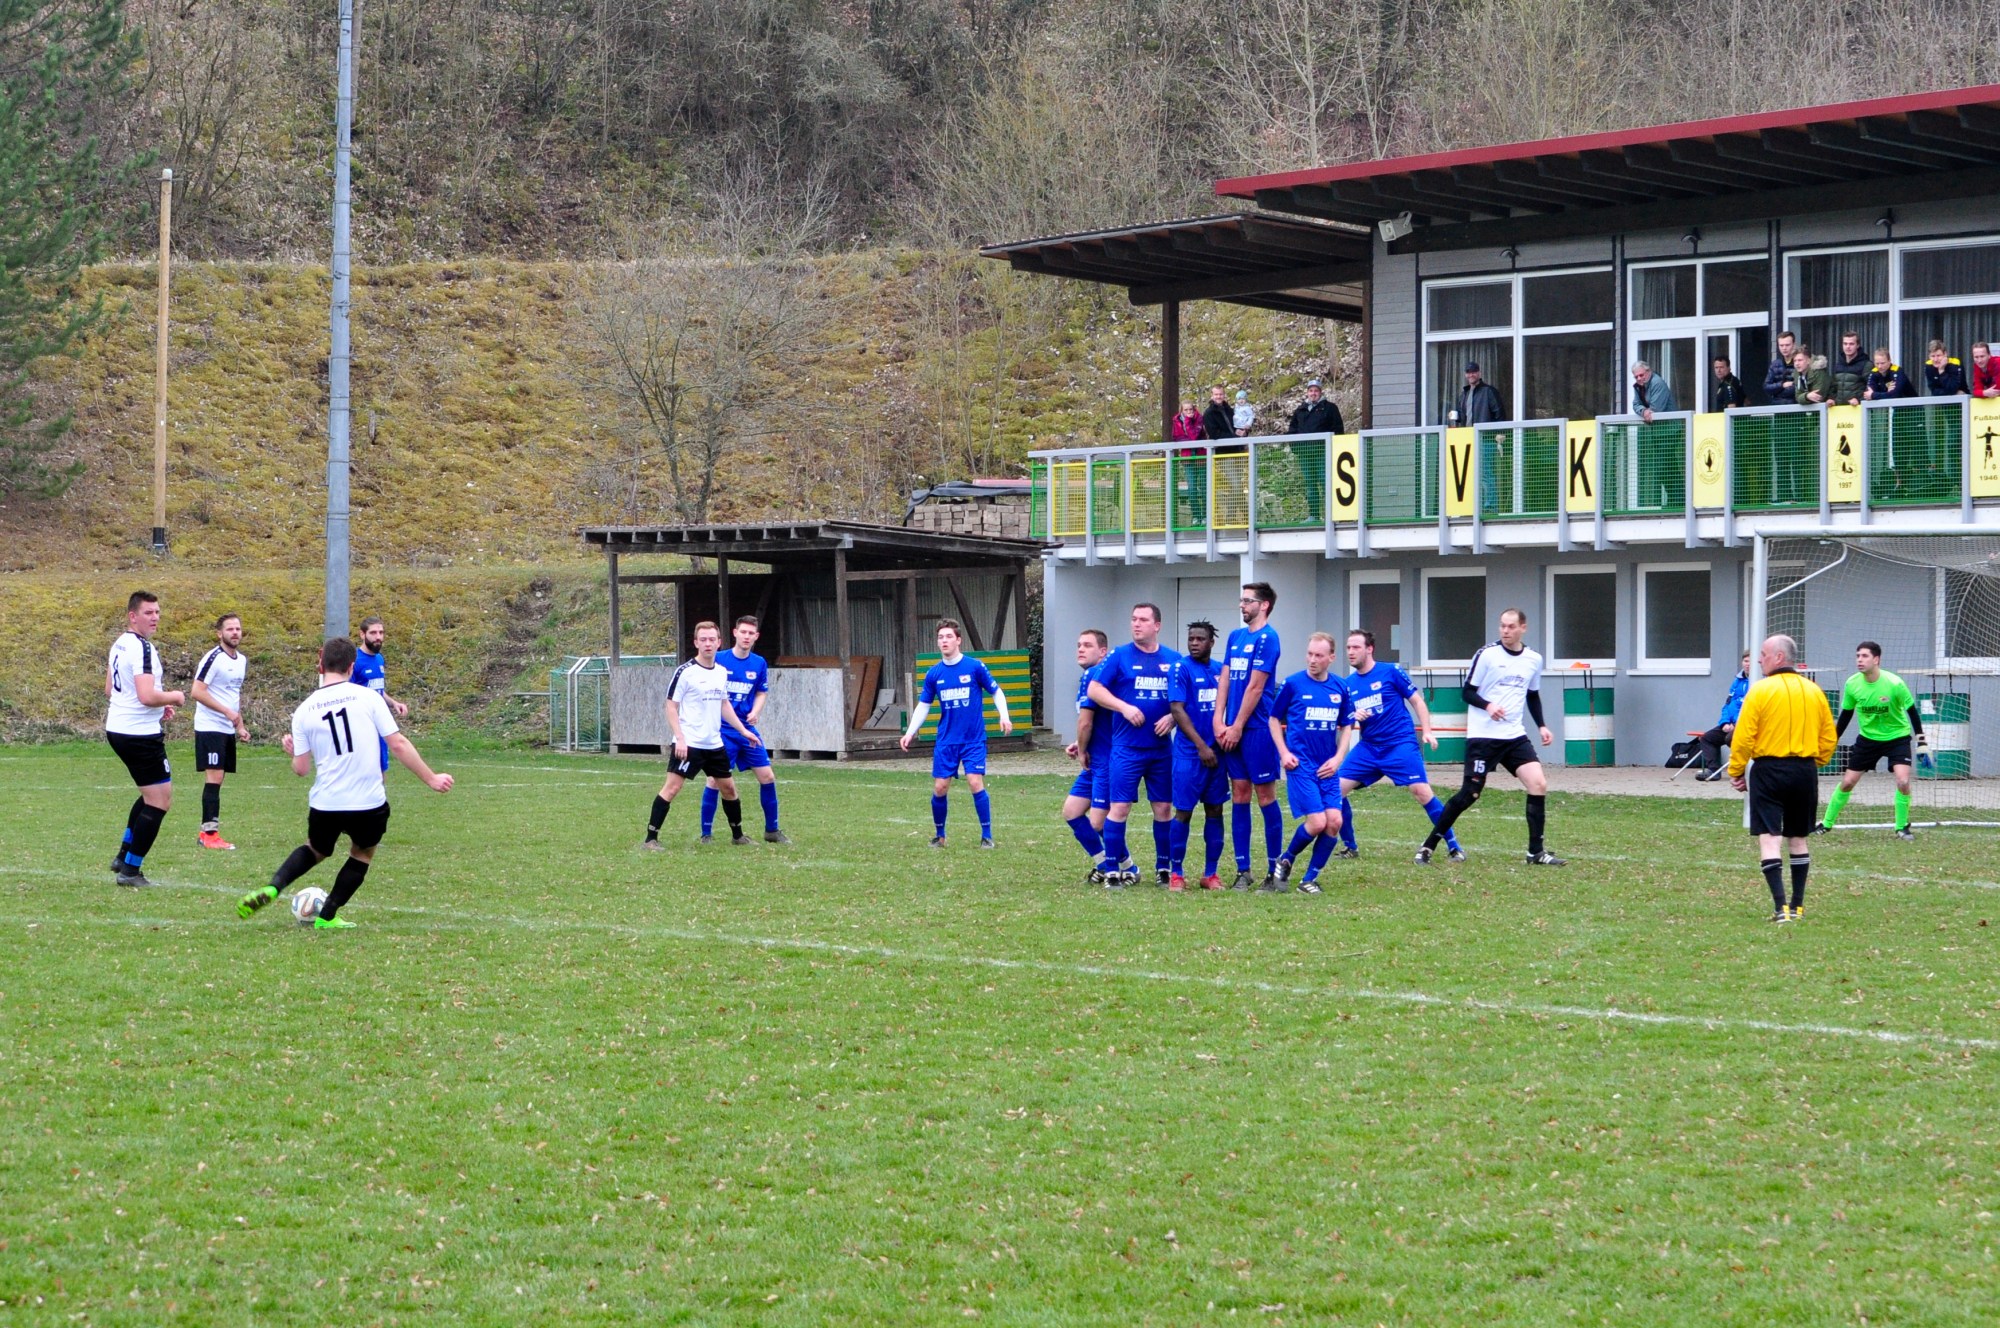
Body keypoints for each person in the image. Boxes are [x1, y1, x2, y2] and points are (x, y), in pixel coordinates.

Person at [236, 636, 452, 929]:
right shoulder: (368, 698)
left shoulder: (304, 710)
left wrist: (293, 752)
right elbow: (398, 744)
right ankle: (327, 917)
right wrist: (431, 778)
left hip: (326, 803)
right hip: (368, 802)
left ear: (320, 664)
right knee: (362, 853)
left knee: (316, 848)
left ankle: (275, 886)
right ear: (352, 667)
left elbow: (300, 769)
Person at [1417, 607, 1565, 866]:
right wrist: (1488, 706)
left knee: (1538, 784)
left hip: (1514, 736)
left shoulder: (1533, 659)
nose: (1505, 631)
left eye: (1510, 627)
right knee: (1469, 795)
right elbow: (1467, 692)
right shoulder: (1486, 655)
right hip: (1483, 737)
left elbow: (1532, 694)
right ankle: (1428, 845)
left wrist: (1541, 725)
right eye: (1502, 626)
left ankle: (1535, 853)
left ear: (1523, 628)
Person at [1727, 634, 1837, 923]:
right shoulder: (1814, 691)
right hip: (1804, 771)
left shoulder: (1760, 692)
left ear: (1778, 658)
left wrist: (1736, 771)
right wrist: (1817, 760)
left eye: (1763, 654)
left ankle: (1780, 908)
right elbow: (1829, 737)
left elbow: (1744, 736)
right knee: (1798, 838)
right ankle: (1797, 905)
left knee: (1770, 837)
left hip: (1769, 770)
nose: (1759, 660)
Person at [1328, 628, 1463, 860]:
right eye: (1348, 648)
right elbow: (1343, 720)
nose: (1350, 652)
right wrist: (1353, 716)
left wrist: (1428, 731)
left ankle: (1453, 845)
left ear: (1369, 649)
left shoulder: (1391, 671)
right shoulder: (1347, 684)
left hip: (1400, 744)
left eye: (1356, 647)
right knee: (1333, 791)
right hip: (1369, 749)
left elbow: (1417, 702)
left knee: (1421, 792)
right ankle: (1350, 847)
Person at [1088, 603, 1181, 887]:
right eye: (1133, 619)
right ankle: (1114, 870)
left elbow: (1183, 700)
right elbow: (1095, 689)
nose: (1136, 624)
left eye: (1143, 620)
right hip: (1127, 749)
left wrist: (1172, 717)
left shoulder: (1173, 659)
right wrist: (1123, 707)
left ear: (1157, 625)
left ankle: (1163, 868)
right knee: (1120, 809)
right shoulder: (1119, 656)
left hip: (1161, 750)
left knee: (1163, 809)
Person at [646, 622, 761, 848]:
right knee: (672, 788)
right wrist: (679, 738)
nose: (708, 644)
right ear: (696, 643)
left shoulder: (720, 672)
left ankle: (738, 836)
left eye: (712, 640)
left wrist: (743, 730)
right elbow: (671, 706)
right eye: (703, 640)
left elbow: (724, 704)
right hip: (689, 744)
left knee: (729, 788)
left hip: (714, 744)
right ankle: (651, 839)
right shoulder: (685, 672)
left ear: (719, 642)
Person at [902, 618, 1012, 847]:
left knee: (974, 782)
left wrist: (1004, 715)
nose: (944, 641)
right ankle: (940, 836)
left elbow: (996, 691)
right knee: (940, 787)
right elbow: (923, 705)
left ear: (958, 640)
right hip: (946, 740)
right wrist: (910, 732)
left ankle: (987, 836)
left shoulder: (974, 667)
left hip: (972, 739)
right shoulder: (934, 674)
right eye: (941, 637)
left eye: (949, 636)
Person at [104, 590, 187, 888]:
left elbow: (111, 691)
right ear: (132, 616)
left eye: (157, 612)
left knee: (149, 796)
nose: (155, 618)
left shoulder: (120, 644)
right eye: (148, 613)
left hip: (120, 728)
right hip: (138, 735)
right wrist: (174, 697)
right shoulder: (141, 648)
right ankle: (130, 870)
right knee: (159, 801)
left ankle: (124, 855)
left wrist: (155, 705)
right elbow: (145, 695)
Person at [1817, 641, 1931, 840]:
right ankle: (1826, 824)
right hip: (1868, 739)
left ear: (1876, 659)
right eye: (1857, 656)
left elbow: (1912, 711)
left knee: (1903, 781)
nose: (1859, 660)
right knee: (1847, 782)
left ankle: (1902, 827)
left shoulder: (1894, 683)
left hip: (1897, 738)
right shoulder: (1852, 684)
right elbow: (1845, 715)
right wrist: (1831, 741)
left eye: (1864, 656)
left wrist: (1921, 742)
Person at [1212, 581, 1285, 890]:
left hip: (1256, 730)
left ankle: (1274, 870)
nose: (1242, 605)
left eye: (1248, 601)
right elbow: (1226, 678)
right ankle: (1244, 870)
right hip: (1232, 727)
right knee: (1239, 793)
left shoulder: (1269, 638)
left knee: (1264, 795)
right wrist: (1219, 719)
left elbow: (1256, 686)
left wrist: (1238, 725)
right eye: (1241, 600)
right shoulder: (1235, 636)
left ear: (1264, 605)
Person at [1268, 633, 1353, 895]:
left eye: (1318, 655)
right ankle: (1286, 859)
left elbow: (1347, 725)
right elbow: (1273, 720)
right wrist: (1284, 752)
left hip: (1326, 767)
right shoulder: (1293, 684)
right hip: (1301, 765)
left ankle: (1309, 879)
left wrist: (1338, 758)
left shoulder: (1340, 687)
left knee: (1334, 822)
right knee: (1317, 822)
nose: (1312, 660)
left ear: (1331, 658)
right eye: (1309, 654)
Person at [700, 615, 788, 844]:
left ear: (756, 637)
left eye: (751, 633)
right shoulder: (719, 660)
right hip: (723, 731)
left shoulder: (758, 663)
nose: (747, 636)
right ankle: (706, 834)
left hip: (747, 730)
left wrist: (756, 711)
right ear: (735, 633)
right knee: (714, 781)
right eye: (743, 632)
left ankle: (772, 831)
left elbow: (761, 691)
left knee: (767, 776)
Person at [1166, 621, 1229, 891]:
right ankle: (1177, 874)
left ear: (1211, 643)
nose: (1194, 643)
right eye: (1191, 638)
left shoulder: (1219, 671)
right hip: (1190, 755)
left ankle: (1210, 874)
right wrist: (1202, 746)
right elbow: (1177, 710)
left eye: (1200, 639)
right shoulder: (1180, 668)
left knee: (1215, 810)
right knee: (1183, 812)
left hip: (1218, 754)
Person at [189, 612, 252, 850]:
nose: (235, 633)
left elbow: (231, 697)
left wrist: (240, 725)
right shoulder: (213, 658)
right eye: (230, 629)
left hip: (226, 728)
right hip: (210, 727)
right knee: (213, 778)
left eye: (238, 628)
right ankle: (209, 834)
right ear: (220, 634)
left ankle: (208, 832)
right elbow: (197, 691)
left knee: (219, 779)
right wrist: (227, 713)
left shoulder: (241, 660)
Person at [1061, 629, 1114, 883]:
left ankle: (1122, 867)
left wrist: (1082, 748)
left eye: (1088, 645)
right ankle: (1107, 863)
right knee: (1072, 811)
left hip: (1105, 759)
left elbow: (1087, 724)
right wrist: (1080, 744)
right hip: (1093, 756)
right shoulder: (1089, 676)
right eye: (1079, 645)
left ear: (1103, 651)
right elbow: (1091, 722)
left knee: (1098, 821)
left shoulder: (1096, 675)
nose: (1080, 649)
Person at [352, 617, 408, 773]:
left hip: (379, 722)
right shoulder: (354, 660)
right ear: (362, 635)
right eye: (373, 633)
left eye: (381, 633)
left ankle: (380, 798)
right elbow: (346, 692)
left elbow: (377, 690)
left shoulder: (379, 659)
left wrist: (394, 703)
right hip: (362, 725)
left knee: (381, 767)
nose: (378, 637)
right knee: (363, 769)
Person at [1286, 378, 1342, 521]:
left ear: (1320, 392)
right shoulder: (1300, 410)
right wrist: (1296, 449)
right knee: (1310, 485)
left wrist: (1334, 449)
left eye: (1316, 391)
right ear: (1307, 392)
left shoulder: (1330, 408)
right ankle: (1314, 515)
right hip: (1305, 454)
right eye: (1311, 391)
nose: (1313, 393)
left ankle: (1332, 515)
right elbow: (1292, 430)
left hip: (1323, 452)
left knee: (1326, 483)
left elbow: (1338, 430)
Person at [1693, 652, 1752, 781]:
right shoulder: (1737, 681)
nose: (1748, 664)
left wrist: (1736, 723)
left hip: (1745, 725)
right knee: (1707, 738)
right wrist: (1725, 722)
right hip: (1730, 724)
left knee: (1731, 739)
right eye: (1746, 661)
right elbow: (1727, 704)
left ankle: (1743, 771)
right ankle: (1713, 771)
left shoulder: (1760, 681)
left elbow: (1751, 709)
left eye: (1751, 661)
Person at [1170, 398, 1208, 524]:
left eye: (1190, 409)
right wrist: (1189, 440)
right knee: (1191, 488)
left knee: (1203, 487)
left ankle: (1206, 516)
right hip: (1187, 458)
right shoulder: (1176, 420)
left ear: (1194, 409)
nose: (1188, 412)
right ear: (1182, 410)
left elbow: (1194, 435)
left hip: (1201, 457)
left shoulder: (1199, 418)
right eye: (1185, 410)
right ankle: (1196, 516)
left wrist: (1188, 421)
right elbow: (1177, 438)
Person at [1830, 332, 1870, 406]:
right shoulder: (1838, 365)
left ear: (1857, 345)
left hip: (1858, 410)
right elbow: (1833, 388)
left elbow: (1871, 388)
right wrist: (1832, 399)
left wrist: (1859, 400)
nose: (1848, 347)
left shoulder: (1866, 364)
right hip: (1838, 411)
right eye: (1845, 344)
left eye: (1851, 344)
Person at [1762, 331, 1799, 407]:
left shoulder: (1799, 362)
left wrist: (1776, 392)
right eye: (1781, 345)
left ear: (1794, 344)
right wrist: (1782, 385)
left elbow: (1798, 389)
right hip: (1777, 408)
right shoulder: (1775, 364)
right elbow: (1766, 387)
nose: (1784, 348)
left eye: (1787, 345)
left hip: (1796, 407)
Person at [1201, 384, 1236, 450]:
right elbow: (1214, 434)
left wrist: (1243, 431)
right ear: (1212, 396)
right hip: (1221, 451)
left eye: (1221, 394)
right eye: (1216, 394)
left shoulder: (1229, 410)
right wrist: (1235, 436)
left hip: (1237, 447)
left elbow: (1235, 425)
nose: (1218, 396)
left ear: (1224, 395)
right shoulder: (1209, 413)